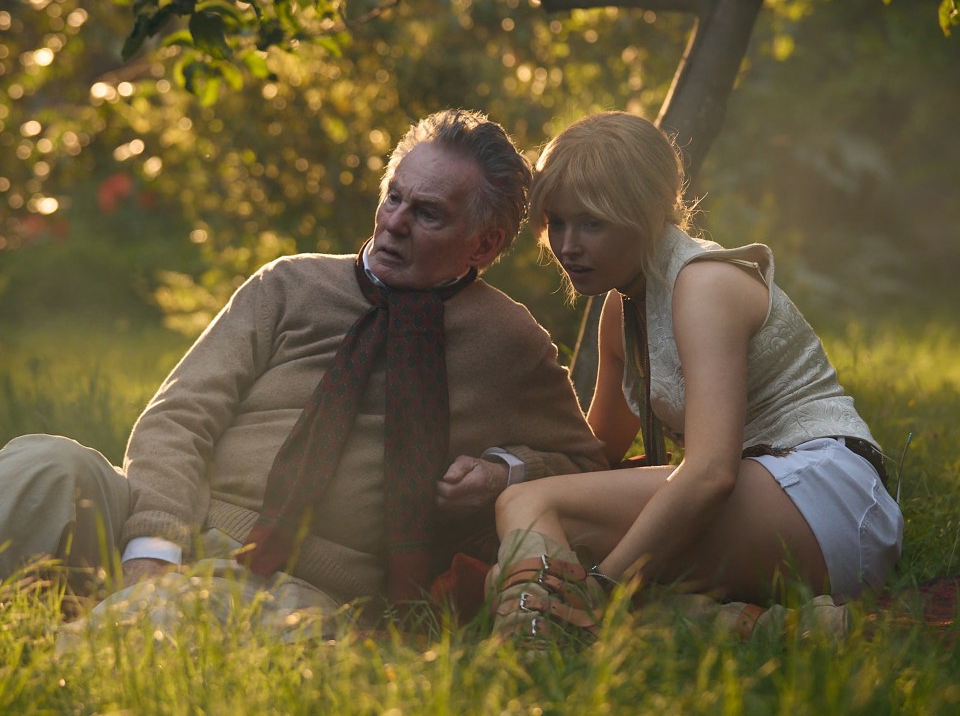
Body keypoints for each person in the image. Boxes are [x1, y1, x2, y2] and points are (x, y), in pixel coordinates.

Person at [0, 109, 606, 636]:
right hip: (177, 521)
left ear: (483, 244)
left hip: (290, 578)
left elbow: (584, 467)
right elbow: (179, 419)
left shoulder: (509, 341)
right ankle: (120, 595)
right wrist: (153, 551)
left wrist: (503, 474)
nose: (394, 222)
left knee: (161, 624)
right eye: (393, 196)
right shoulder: (288, 283)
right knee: (43, 465)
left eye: (427, 214)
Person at [487, 111, 903, 641]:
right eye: (558, 222)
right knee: (523, 570)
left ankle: (534, 657)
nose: (568, 245)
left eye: (592, 223)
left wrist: (606, 587)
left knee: (531, 519)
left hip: (827, 500)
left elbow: (710, 474)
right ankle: (774, 630)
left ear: (645, 215)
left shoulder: (704, 285)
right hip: (770, 509)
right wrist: (499, 463)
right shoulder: (622, 311)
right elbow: (594, 457)